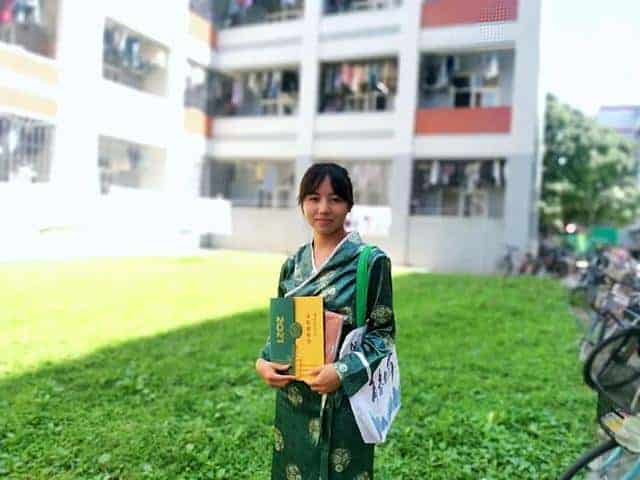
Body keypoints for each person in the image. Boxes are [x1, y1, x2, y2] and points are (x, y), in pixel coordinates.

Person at [255, 163, 396, 480]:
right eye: (313, 198)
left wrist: (342, 372)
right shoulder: (292, 265)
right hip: (294, 400)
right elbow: (282, 328)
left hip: (344, 399)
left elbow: (383, 334)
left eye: (334, 199)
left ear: (349, 205)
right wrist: (263, 362)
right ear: (302, 203)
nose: (323, 208)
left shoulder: (370, 262)